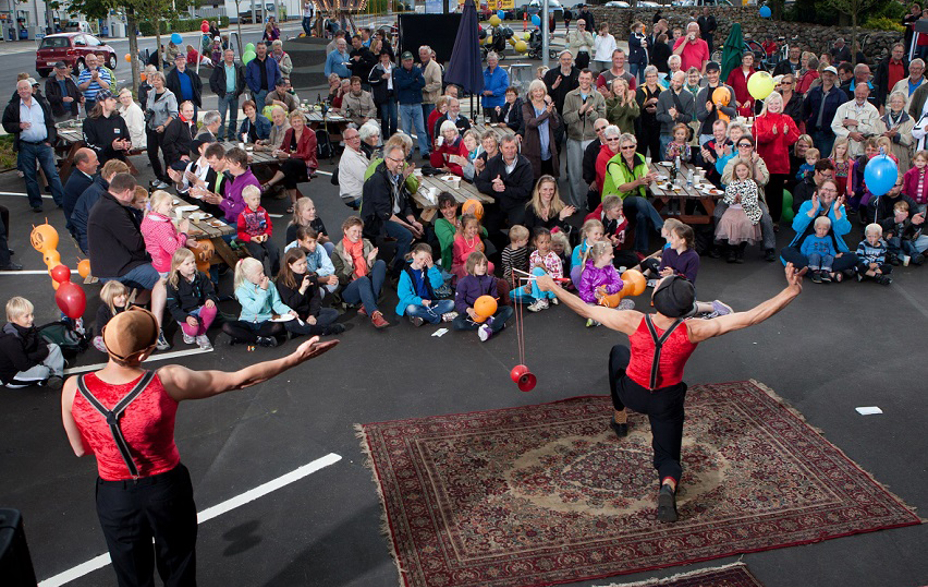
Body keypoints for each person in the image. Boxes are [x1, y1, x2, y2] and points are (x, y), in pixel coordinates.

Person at [534, 264, 805, 522]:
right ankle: (666, 487)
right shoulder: (693, 329)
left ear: (654, 299)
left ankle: (619, 415)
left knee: (618, 354)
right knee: (668, 458)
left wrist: (552, 287)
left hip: (633, 394)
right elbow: (750, 318)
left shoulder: (633, 320)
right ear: (687, 308)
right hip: (666, 401)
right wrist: (790, 291)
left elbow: (585, 309)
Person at [87, 173, 170, 349]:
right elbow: (136, 243)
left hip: (107, 264)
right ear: (126, 192)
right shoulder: (113, 211)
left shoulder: (105, 204)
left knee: (152, 276)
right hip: (119, 268)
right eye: (133, 193)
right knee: (162, 279)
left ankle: (136, 309)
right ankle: (157, 328)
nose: (133, 197)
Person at [2, 79, 65, 213]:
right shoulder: (13, 107)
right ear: (18, 92)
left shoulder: (41, 103)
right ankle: (36, 203)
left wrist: (50, 140)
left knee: (52, 174)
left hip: (44, 144)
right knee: (30, 176)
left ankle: (61, 200)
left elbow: (50, 123)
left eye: (26, 88)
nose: (24, 91)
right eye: (21, 89)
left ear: (31, 89)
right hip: (26, 146)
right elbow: (6, 124)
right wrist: (19, 126)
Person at [361, 142, 422, 274]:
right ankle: (397, 272)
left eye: (403, 160)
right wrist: (409, 227)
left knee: (423, 229)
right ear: (387, 160)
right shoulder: (378, 180)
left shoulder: (397, 176)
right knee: (406, 235)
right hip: (377, 221)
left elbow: (404, 203)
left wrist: (413, 222)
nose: (401, 164)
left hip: (393, 215)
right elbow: (385, 214)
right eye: (398, 160)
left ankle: (408, 262)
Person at [780, 178, 859, 273]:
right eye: (825, 189)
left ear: (836, 194)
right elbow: (796, 226)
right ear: (818, 190)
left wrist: (836, 210)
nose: (828, 193)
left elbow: (844, 231)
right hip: (806, 251)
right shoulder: (807, 205)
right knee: (786, 251)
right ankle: (826, 271)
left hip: (829, 253)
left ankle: (810, 270)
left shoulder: (838, 207)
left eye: (832, 190)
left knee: (852, 257)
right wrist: (813, 209)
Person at [475, 134, 535, 249]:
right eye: (506, 147)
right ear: (500, 148)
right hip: (499, 203)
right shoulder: (494, 162)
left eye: (512, 147)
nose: (510, 151)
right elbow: (480, 182)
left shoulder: (525, 165)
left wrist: (504, 189)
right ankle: (504, 249)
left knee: (515, 231)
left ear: (517, 148)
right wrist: (493, 187)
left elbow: (525, 191)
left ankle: (512, 252)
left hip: (518, 203)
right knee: (487, 228)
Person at [332, 216, 390, 328]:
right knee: (363, 280)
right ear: (345, 230)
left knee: (380, 263)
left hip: (366, 282)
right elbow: (341, 280)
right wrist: (348, 264)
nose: (357, 234)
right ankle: (374, 314)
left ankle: (367, 303)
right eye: (354, 231)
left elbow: (373, 273)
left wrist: (369, 262)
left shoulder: (366, 244)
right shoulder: (337, 252)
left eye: (360, 231)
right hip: (350, 289)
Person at [275, 248, 343, 337]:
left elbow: (315, 298)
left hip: (308, 311)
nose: (303, 266)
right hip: (293, 314)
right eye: (299, 264)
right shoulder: (283, 281)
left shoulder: (310, 275)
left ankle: (302, 330)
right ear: (290, 265)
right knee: (289, 325)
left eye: (305, 262)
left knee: (333, 313)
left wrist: (312, 315)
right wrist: (302, 290)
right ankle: (322, 330)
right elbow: (291, 304)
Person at [754, 91, 800, 222]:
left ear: (781, 104)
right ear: (767, 104)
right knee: (763, 193)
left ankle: (775, 221)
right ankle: (761, 220)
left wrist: (787, 133)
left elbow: (794, 138)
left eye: (777, 103)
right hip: (764, 162)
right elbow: (757, 138)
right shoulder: (760, 119)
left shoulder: (787, 119)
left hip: (780, 163)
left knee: (777, 194)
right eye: (771, 103)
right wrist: (771, 134)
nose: (774, 106)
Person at [563, 69, 606, 210]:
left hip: (592, 139)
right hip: (574, 138)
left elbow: (603, 119)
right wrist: (580, 112)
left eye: (587, 79)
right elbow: (566, 118)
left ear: (592, 80)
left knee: (592, 174)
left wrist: (591, 114)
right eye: (582, 78)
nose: (584, 81)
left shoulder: (598, 97)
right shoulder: (570, 96)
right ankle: (575, 204)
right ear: (578, 79)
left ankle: (590, 201)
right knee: (574, 174)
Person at [0, 296, 64, 389]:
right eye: (26, 316)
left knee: (54, 348)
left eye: (31, 314)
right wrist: (40, 356)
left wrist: (35, 355)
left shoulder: (29, 327)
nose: (31, 319)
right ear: (13, 319)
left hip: (29, 360)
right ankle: (49, 373)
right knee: (43, 371)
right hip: (14, 374)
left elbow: (42, 345)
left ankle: (56, 376)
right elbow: (23, 365)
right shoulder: (10, 340)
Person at [453, 251, 514, 342]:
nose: (482, 267)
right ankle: (493, 324)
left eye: (484, 264)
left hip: (488, 310)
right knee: (457, 323)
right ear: (471, 266)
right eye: (478, 265)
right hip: (472, 311)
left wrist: (490, 308)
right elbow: (459, 301)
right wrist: (468, 310)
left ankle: (490, 329)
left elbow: (494, 297)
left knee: (508, 310)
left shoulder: (490, 280)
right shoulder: (463, 282)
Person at [165, 248, 218, 350]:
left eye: (193, 262)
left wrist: (209, 299)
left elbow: (209, 291)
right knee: (192, 331)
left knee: (212, 309)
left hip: (200, 309)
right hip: (186, 313)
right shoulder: (172, 283)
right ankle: (188, 331)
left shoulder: (201, 276)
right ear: (177, 267)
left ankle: (201, 333)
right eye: (187, 264)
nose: (192, 266)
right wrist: (186, 317)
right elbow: (173, 307)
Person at [395, 243, 456, 327]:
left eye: (426, 260)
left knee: (450, 303)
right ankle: (439, 318)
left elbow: (437, 285)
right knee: (411, 309)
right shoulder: (406, 274)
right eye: (421, 259)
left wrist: (431, 267)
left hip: (428, 302)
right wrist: (421, 301)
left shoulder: (429, 268)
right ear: (413, 255)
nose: (423, 262)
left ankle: (422, 317)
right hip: (415, 303)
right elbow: (404, 296)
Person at [716, 161, 763, 263]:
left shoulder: (752, 184)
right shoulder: (733, 183)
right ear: (735, 172)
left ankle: (740, 250)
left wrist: (742, 200)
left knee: (746, 223)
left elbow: (753, 200)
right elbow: (727, 198)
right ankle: (731, 250)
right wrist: (734, 199)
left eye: (743, 170)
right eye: (739, 170)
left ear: (748, 171)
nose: (741, 173)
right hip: (734, 208)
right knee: (726, 221)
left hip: (747, 209)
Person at [140, 190, 194, 278]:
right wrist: (183, 233)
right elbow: (175, 249)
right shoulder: (161, 227)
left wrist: (185, 241)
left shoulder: (149, 219)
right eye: (167, 204)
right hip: (168, 267)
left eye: (171, 204)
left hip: (157, 262)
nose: (171, 207)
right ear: (157, 206)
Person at [511, 227, 563, 313]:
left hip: (552, 289)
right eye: (541, 242)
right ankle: (538, 299)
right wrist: (529, 286)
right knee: (512, 295)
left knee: (537, 270)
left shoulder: (555, 258)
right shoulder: (533, 255)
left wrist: (545, 269)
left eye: (548, 242)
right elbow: (531, 274)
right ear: (536, 242)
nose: (545, 245)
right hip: (537, 286)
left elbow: (558, 279)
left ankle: (543, 301)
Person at [803, 66, 848, 158]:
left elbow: (843, 115)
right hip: (812, 131)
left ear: (835, 77)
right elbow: (805, 109)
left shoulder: (840, 95)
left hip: (828, 134)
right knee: (810, 158)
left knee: (824, 159)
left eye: (831, 76)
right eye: (826, 75)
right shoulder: (814, 91)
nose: (828, 78)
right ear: (822, 75)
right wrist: (806, 122)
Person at [144, 71, 178, 190]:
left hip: (164, 129)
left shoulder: (169, 96)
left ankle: (168, 179)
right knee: (151, 153)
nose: (156, 82)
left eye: (158, 80)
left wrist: (164, 125)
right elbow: (148, 107)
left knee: (166, 155)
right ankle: (159, 176)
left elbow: (173, 114)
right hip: (151, 127)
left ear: (163, 81)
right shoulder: (151, 93)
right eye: (154, 80)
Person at [236, 185, 280, 276]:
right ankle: (262, 275)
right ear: (246, 200)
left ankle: (276, 274)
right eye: (253, 199)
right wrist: (251, 238)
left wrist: (267, 234)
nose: (256, 202)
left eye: (258, 199)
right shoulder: (243, 215)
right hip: (251, 238)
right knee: (258, 253)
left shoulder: (263, 211)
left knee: (274, 250)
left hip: (263, 236)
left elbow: (269, 225)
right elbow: (240, 233)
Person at [522, 79, 561, 178]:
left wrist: (551, 114)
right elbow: (530, 123)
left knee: (547, 178)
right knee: (534, 179)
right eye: (535, 91)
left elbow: (556, 125)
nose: (538, 93)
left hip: (548, 147)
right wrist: (546, 114)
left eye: (540, 90)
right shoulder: (526, 106)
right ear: (531, 93)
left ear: (544, 92)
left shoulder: (548, 105)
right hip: (532, 148)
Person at [394, 51, 430, 158]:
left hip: (417, 103)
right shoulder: (398, 72)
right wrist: (413, 80)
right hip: (405, 103)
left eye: (410, 60)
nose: (408, 62)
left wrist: (409, 82)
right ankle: (408, 151)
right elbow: (401, 85)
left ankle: (424, 151)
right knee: (406, 131)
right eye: (406, 60)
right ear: (402, 61)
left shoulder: (417, 70)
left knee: (421, 129)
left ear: (413, 60)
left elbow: (422, 83)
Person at [831, 83, 880, 159]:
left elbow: (874, 130)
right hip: (844, 150)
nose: (860, 96)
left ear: (868, 93)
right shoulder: (843, 108)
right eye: (858, 93)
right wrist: (850, 134)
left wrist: (857, 124)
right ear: (854, 92)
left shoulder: (873, 111)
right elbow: (835, 126)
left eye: (863, 94)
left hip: (862, 150)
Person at [82, 90, 131, 165]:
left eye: (114, 99)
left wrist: (125, 144)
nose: (115, 101)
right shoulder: (89, 122)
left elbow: (127, 138)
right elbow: (90, 146)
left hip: (119, 162)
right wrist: (111, 147)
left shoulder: (119, 120)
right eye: (111, 99)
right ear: (101, 103)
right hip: (99, 164)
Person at [209, 49, 245, 141]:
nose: (230, 57)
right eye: (228, 55)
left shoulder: (237, 67)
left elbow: (242, 80)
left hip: (234, 95)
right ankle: (220, 138)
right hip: (223, 95)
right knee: (221, 117)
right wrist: (219, 92)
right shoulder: (219, 67)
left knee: (233, 117)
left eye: (232, 55)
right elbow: (212, 80)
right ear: (224, 56)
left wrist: (239, 91)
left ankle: (232, 137)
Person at [877, 91, 915, 172]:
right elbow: (875, 138)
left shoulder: (910, 121)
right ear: (890, 103)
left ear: (904, 104)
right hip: (883, 158)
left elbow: (910, 140)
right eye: (894, 101)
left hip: (902, 158)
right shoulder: (881, 120)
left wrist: (896, 135)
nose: (896, 104)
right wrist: (884, 136)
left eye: (899, 102)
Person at [63, 148, 98, 229]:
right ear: (83, 163)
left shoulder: (79, 177)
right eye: (95, 161)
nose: (98, 163)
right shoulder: (82, 183)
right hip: (82, 229)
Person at [452, 214, 493, 279]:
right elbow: (461, 258)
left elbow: (480, 254)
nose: (473, 230)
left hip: (475, 263)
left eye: (475, 227)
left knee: (490, 266)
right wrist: (474, 250)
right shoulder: (459, 241)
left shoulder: (476, 238)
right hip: (461, 265)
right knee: (471, 270)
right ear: (464, 228)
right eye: (470, 228)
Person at [337, 126, 368, 209]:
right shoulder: (350, 157)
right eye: (351, 138)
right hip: (355, 196)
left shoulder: (357, 151)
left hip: (356, 193)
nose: (355, 139)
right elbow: (366, 177)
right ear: (345, 141)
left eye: (357, 136)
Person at [246, 42, 282, 113]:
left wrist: (274, 88)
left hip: (271, 92)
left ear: (266, 49)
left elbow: (278, 76)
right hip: (259, 92)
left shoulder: (273, 62)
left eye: (263, 48)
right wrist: (255, 89)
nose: (261, 50)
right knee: (261, 114)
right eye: (259, 48)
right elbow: (248, 78)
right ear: (256, 50)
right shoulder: (251, 64)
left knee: (274, 113)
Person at [369, 50, 397, 139]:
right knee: (384, 117)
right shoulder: (376, 68)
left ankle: (393, 135)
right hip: (382, 95)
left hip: (392, 94)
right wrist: (381, 78)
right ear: (380, 58)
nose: (385, 59)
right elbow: (370, 80)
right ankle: (386, 136)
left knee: (394, 117)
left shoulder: (394, 67)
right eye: (383, 57)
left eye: (386, 56)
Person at [166, 54, 202, 123]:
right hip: (178, 103)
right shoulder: (171, 75)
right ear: (175, 62)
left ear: (185, 60)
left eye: (182, 59)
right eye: (178, 60)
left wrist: (196, 98)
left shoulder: (192, 74)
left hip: (192, 102)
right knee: (181, 123)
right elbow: (169, 89)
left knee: (193, 123)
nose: (180, 62)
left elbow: (199, 85)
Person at [162, 100, 196, 169]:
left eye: (191, 111)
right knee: (194, 168)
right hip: (177, 159)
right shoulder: (176, 123)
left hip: (191, 156)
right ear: (181, 112)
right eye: (187, 111)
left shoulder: (192, 124)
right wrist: (179, 156)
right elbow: (167, 143)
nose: (190, 113)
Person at [482, 52, 509, 117]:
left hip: (497, 104)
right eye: (489, 60)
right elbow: (479, 86)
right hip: (485, 104)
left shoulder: (503, 73)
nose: (491, 62)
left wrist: (492, 92)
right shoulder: (483, 73)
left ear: (497, 61)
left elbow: (505, 87)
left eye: (493, 60)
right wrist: (482, 92)